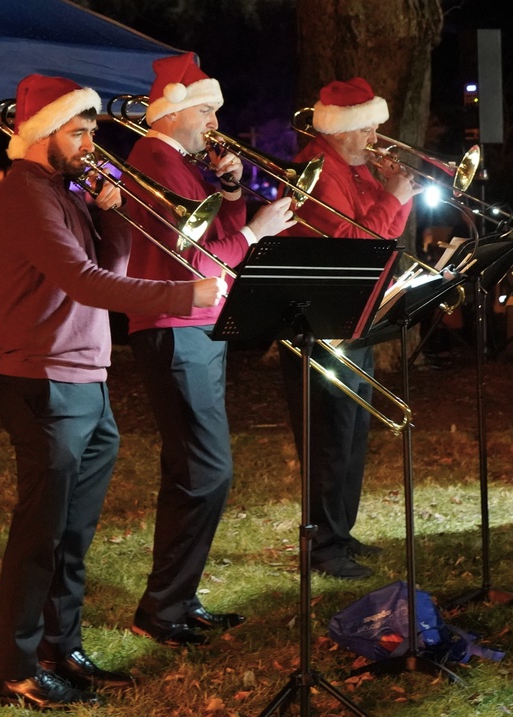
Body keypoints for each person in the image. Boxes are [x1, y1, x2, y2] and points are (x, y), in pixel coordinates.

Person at [0, 73, 225, 709]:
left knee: (72, 534)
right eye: (81, 132)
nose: (92, 144)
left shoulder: (64, 194)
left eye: (92, 131)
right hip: (43, 382)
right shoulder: (26, 194)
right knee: (40, 533)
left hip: (85, 379)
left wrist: (109, 218)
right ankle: (17, 671)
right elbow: (86, 283)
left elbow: (108, 269)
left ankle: (62, 649)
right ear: (42, 135)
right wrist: (186, 295)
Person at [120, 52, 295, 646]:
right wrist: (256, 232)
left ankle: (175, 599)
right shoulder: (154, 160)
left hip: (197, 322)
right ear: (174, 112)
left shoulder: (180, 162)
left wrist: (232, 195)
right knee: (208, 470)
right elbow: (194, 260)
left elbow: (215, 239)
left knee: (191, 472)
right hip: (174, 322)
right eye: (207, 111)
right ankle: (163, 607)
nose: (215, 124)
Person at [277, 77, 421, 579]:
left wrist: (394, 194)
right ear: (341, 128)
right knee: (329, 433)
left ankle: (339, 530)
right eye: (368, 126)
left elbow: (386, 235)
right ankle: (322, 545)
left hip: (357, 309)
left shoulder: (357, 167)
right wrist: (394, 198)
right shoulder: (317, 169)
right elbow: (345, 242)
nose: (378, 132)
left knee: (353, 428)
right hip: (321, 315)